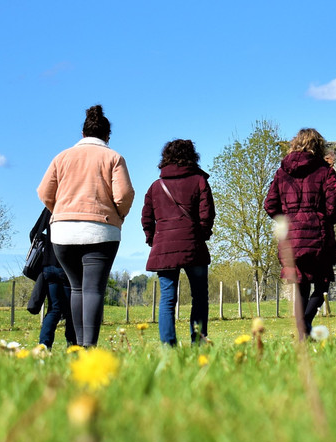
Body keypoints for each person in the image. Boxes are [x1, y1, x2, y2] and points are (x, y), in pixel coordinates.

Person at [37, 105, 134, 347]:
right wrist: (118, 216)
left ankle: (78, 346)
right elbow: (124, 195)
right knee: (93, 290)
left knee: (77, 288)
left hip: (63, 233)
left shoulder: (62, 157)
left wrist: (61, 212)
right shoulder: (113, 157)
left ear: (82, 134)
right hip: (101, 230)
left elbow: (44, 192)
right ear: (107, 136)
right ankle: (89, 347)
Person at [264, 128, 336, 338]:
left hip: (291, 237)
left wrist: (288, 220)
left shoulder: (282, 173)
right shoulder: (325, 172)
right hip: (319, 235)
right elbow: (335, 205)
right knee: (322, 283)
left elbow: (270, 204)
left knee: (300, 284)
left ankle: (303, 332)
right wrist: (322, 220)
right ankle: (305, 325)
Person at [142, 139, 215, 346]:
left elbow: (146, 216)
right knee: (199, 297)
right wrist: (201, 234)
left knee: (167, 299)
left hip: (164, 247)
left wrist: (152, 238)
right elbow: (207, 213)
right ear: (192, 157)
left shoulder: (156, 186)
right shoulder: (199, 181)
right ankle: (198, 344)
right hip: (193, 246)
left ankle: (168, 346)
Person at [28, 208, 75, 349]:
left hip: (48, 266)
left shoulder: (50, 207)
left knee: (54, 308)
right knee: (71, 310)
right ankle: (72, 345)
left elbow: (33, 233)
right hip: (67, 266)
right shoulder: (71, 204)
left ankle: (44, 345)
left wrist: (47, 244)